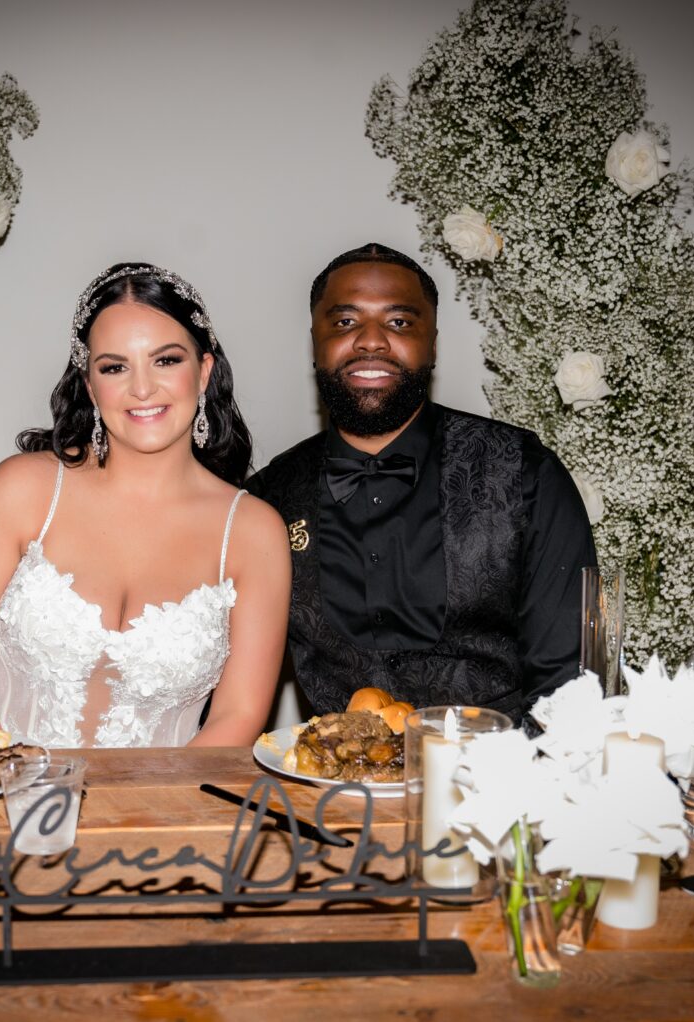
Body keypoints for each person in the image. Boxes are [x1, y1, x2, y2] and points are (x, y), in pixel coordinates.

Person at [0, 263, 291, 748]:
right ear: (89, 384)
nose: (142, 388)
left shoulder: (253, 532)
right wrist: (16, 789)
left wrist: (148, 817)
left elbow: (238, 716)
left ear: (204, 370)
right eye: (114, 366)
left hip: (166, 813)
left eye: (166, 360)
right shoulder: (22, 490)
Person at [245, 243, 596, 725]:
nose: (371, 342)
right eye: (345, 322)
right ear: (315, 343)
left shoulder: (525, 473)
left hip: (502, 786)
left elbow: (568, 684)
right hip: (332, 792)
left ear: (432, 342)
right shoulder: (266, 499)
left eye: (399, 323)